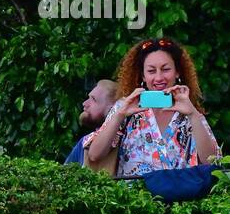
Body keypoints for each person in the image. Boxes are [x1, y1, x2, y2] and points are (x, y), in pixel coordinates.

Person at [84, 38, 220, 178]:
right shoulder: (124, 107)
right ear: (143, 75)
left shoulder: (189, 110)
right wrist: (120, 115)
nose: (159, 77)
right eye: (151, 71)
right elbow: (94, 155)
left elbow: (213, 161)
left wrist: (192, 114)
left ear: (177, 72)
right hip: (133, 198)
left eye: (165, 69)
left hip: (182, 197)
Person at [64, 80, 118, 165]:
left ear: (112, 109)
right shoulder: (83, 142)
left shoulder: (128, 140)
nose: (84, 103)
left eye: (94, 99)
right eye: (89, 98)